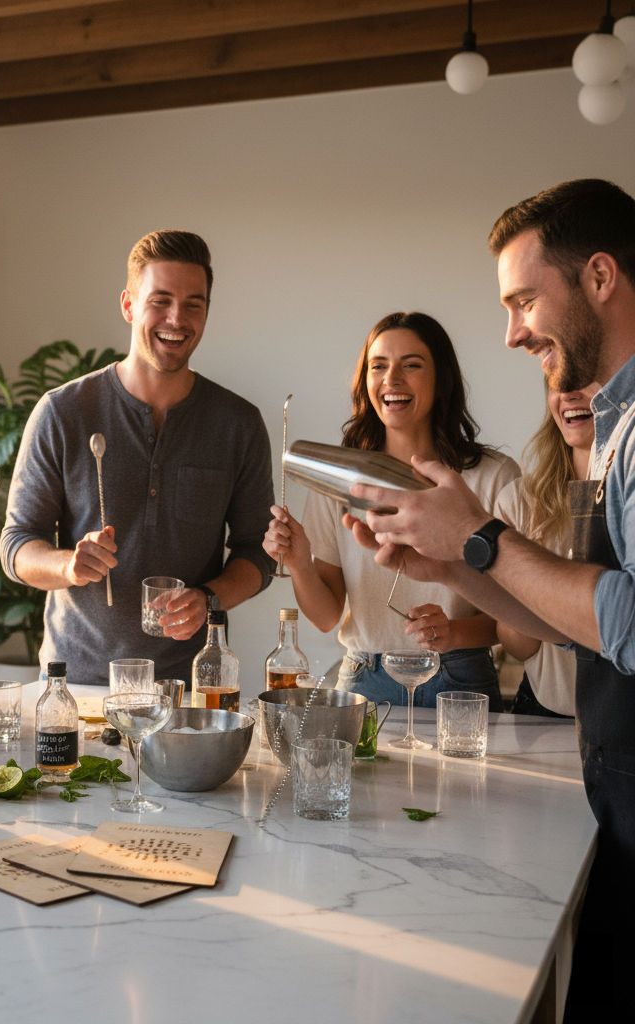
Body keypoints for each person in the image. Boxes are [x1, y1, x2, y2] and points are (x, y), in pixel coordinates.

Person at [343, 179, 635, 1019]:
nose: (512, 333)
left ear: (600, 278)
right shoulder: (613, 426)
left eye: (523, 301)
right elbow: (579, 626)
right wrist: (452, 571)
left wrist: (479, 536)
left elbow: (630, 621)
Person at [0, 229, 275, 685]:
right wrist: (68, 565)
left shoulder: (237, 423)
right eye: (160, 300)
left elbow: (257, 553)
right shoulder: (62, 411)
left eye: (194, 304)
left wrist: (209, 598)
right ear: (128, 305)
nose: (176, 318)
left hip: (189, 688)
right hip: (75, 682)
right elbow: (17, 545)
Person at [263, 311, 518, 708]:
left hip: (459, 677)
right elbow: (328, 616)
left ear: (441, 380)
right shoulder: (337, 481)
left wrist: (453, 632)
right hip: (365, 679)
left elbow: (519, 618)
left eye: (411, 365)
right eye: (378, 366)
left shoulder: (493, 478)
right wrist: (298, 563)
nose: (391, 379)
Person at [494, 382, 598, 718]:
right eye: (558, 383)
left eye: (588, 381)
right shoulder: (519, 502)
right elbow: (519, 646)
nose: (569, 394)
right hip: (542, 711)